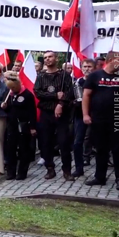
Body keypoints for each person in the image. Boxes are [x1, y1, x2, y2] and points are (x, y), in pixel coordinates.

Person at [82, 51, 119, 191]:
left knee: (118, 149)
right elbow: (86, 95)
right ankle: (100, 177)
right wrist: (85, 115)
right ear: (111, 60)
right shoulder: (95, 75)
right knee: (101, 149)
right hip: (98, 119)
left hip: (118, 119)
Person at [34, 50, 74, 181]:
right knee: (45, 143)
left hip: (62, 113)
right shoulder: (40, 76)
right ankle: (50, 169)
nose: (47, 59)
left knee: (63, 142)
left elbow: (69, 92)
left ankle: (67, 170)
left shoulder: (64, 75)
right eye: (45, 57)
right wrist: (54, 95)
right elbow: (38, 92)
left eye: (50, 57)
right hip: (46, 113)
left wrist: (60, 104)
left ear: (56, 58)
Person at [3, 71, 37, 180]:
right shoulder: (10, 94)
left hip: (23, 125)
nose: (12, 90)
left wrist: (32, 127)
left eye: (13, 88)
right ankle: (10, 172)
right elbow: (9, 109)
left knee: (24, 149)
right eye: (10, 89)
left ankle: (22, 172)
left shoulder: (27, 95)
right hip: (12, 125)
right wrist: (5, 106)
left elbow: (32, 112)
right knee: (10, 149)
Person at [72, 58, 95, 176]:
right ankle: (79, 168)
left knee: (99, 142)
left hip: (96, 115)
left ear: (94, 68)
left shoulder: (98, 81)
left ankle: (100, 171)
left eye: (89, 66)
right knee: (77, 143)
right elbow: (73, 97)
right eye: (85, 67)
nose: (87, 69)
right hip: (80, 116)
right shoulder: (78, 82)